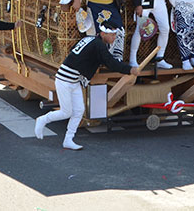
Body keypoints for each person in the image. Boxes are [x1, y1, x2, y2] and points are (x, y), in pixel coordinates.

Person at [34, 18, 137, 150]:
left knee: (79, 111)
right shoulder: (99, 45)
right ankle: (42, 120)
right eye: (112, 35)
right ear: (103, 33)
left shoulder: (91, 40)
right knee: (66, 112)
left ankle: (68, 139)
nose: (114, 38)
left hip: (75, 80)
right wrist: (130, 70)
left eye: (115, 35)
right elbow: (111, 63)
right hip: (65, 79)